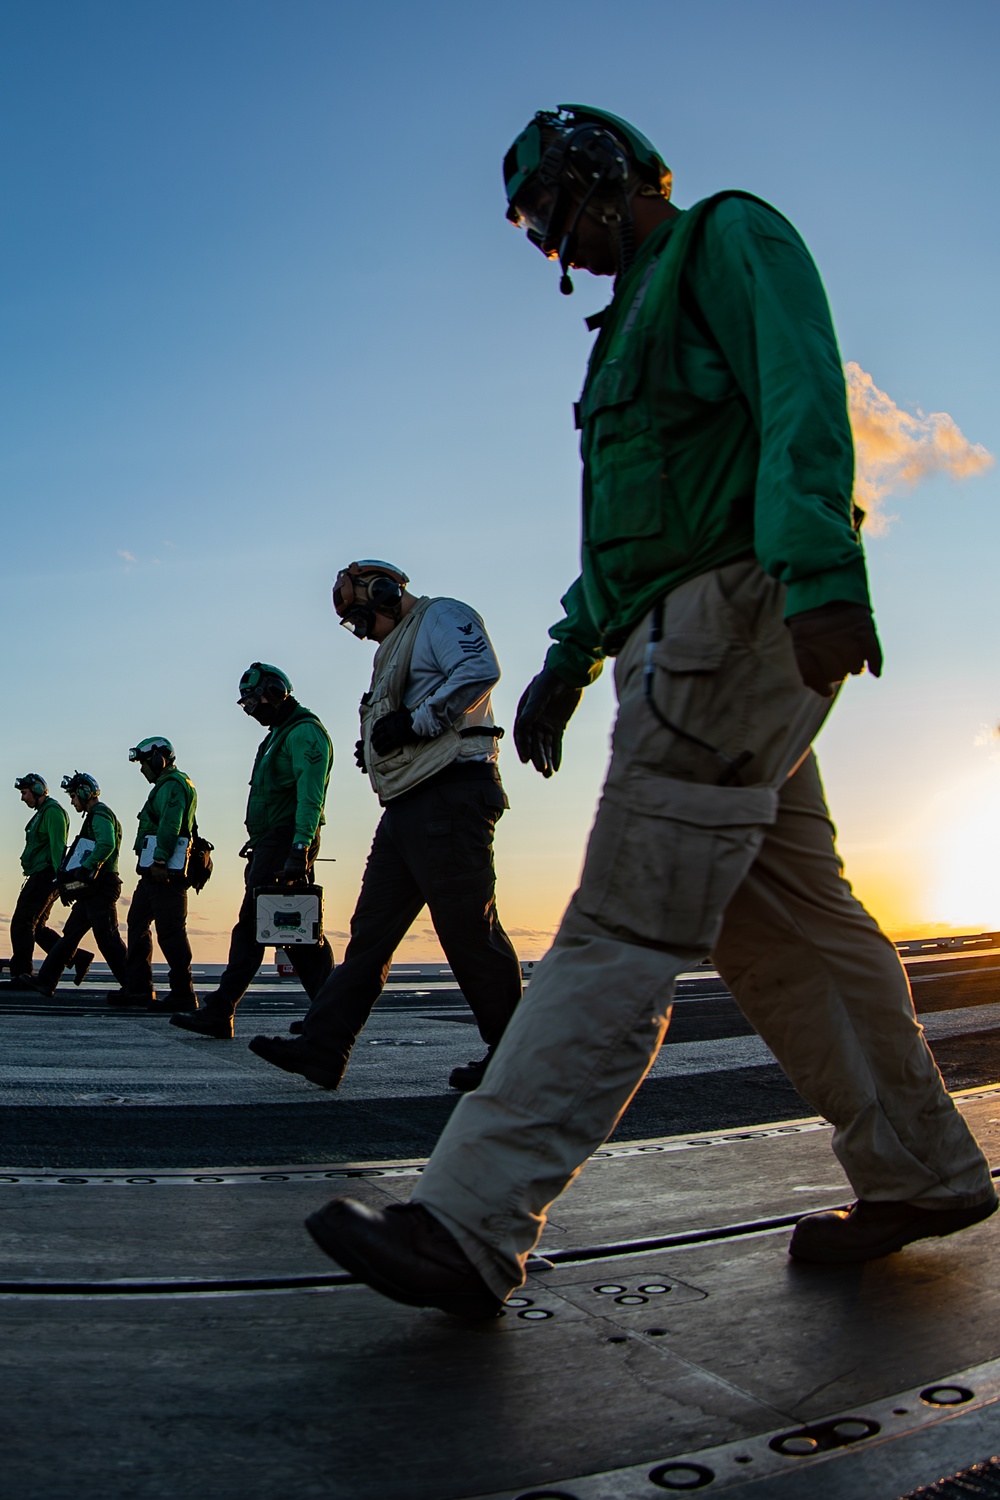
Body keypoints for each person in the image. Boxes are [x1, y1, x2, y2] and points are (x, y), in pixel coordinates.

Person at [301, 105, 997, 1318]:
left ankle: (470, 1219)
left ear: (602, 173)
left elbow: (801, 395)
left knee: (623, 923)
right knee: (788, 928)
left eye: (550, 213)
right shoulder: (621, 324)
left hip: (731, 622)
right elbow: (633, 523)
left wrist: (821, 574)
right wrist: (568, 658)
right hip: (675, 636)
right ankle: (920, 1168)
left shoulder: (727, 242)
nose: (547, 241)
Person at [248, 561, 522, 1093]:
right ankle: (324, 1049)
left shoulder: (441, 616)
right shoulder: (392, 648)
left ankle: (518, 1056)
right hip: (408, 805)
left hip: (449, 795)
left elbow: (478, 670)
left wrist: (413, 725)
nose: (360, 630)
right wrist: (377, 747)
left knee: (468, 931)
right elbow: (402, 714)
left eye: (361, 617)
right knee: (370, 936)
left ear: (385, 592)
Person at [171, 663, 334, 1039]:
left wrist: (299, 847)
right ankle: (329, 1013)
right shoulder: (279, 733)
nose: (252, 711)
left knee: (258, 928)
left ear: (277, 692)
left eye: (254, 702)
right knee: (294, 934)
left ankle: (222, 1010)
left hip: (286, 842)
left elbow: (311, 797)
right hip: (271, 844)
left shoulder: (305, 733)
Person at [115, 737, 199, 1011]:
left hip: (165, 872)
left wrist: (161, 858)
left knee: (170, 931)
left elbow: (171, 823)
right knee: (137, 923)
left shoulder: (173, 785)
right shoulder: (166, 786)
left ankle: (183, 993)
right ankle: (139, 988)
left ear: (158, 760)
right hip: (152, 873)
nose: (142, 770)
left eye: (143, 763)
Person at [27, 772, 127, 999]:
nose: (72, 801)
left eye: (73, 796)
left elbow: (106, 843)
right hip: (93, 888)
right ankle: (45, 981)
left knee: (108, 938)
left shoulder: (100, 814)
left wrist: (86, 867)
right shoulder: (95, 815)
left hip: (101, 887)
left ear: (84, 793)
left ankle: (134, 985)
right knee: (71, 933)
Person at [0, 774, 93, 990]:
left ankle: (22, 974)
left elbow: (58, 847)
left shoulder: (52, 812)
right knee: (37, 926)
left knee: (22, 923)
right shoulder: (43, 812)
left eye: (24, 793)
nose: (23, 798)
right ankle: (77, 958)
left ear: (38, 790)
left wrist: (58, 879)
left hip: (46, 876)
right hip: (43, 875)